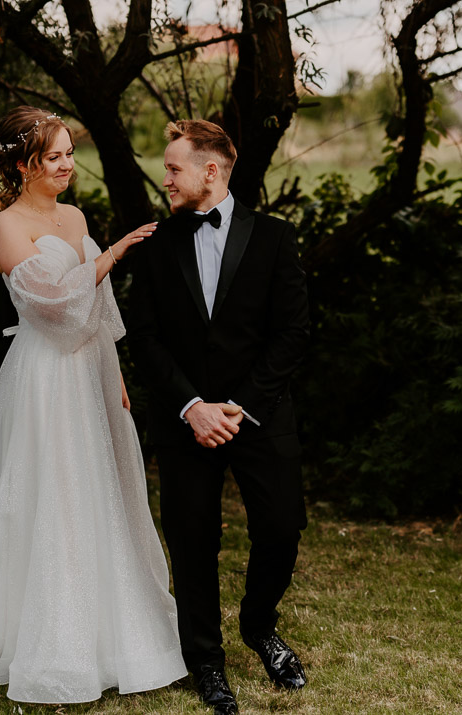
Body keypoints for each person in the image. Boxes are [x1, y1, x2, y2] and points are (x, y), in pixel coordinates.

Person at [0, 106, 187, 704]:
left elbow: (96, 308)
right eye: (53, 156)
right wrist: (112, 254)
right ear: (23, 164)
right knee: (50, 490)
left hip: (90, 368)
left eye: (68, 154)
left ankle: (111, 626)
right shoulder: (6, 226)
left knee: (98, 487)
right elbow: (51, 304)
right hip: (45, 375)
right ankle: (47, 636)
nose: (66, 166)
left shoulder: (74, 215)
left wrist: (115, 370)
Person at [127, 120, 310, 715]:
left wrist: (241, 406)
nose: (165, 178)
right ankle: (205, 660)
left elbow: (292, 333)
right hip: (184, 419)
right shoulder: (154, 244)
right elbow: (144, 337)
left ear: (211, 171)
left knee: (281, 527)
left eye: (173, 167)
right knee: (192, 540)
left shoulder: (275, 238)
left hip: (259, 415)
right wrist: (192, 407)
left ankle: (259, 625)